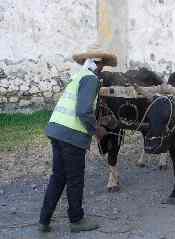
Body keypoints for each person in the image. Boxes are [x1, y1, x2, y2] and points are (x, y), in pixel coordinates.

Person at [38, 48, 117, 233]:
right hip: (71, 136)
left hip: (57, 130)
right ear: (98, 64)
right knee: (75, 179)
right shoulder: (91, 79)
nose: (103, 68)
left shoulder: (78, 76)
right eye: (103, 65)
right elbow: (82, 111)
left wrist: (96, 122)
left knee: (58, 177)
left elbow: (77, 107)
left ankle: (44, 219)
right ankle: (76, 220)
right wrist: (97, 130)